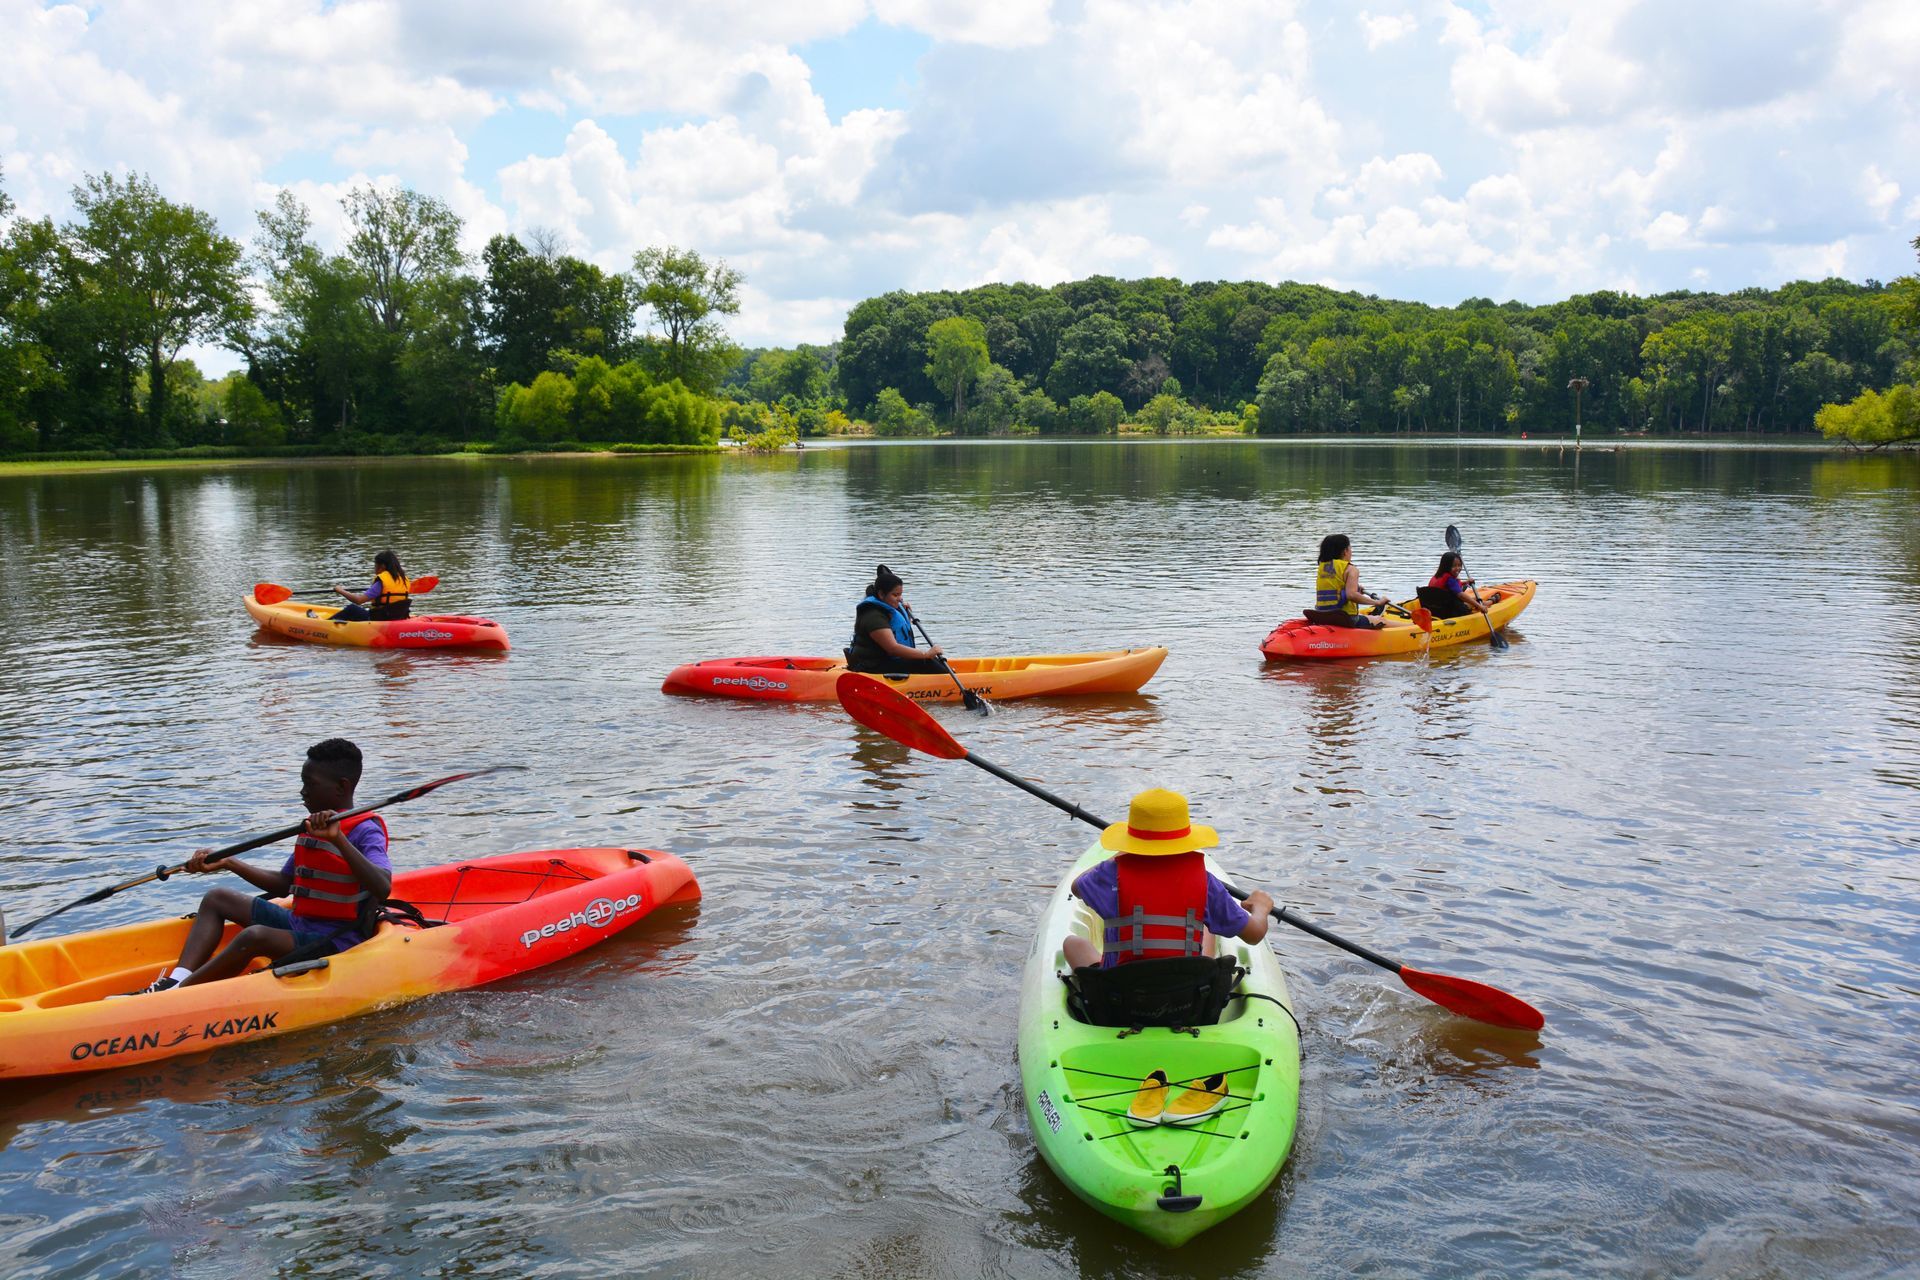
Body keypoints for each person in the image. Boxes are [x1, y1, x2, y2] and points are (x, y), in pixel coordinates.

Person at [1062, 788, 1275, 1125]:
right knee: (1206, 928)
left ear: (1131, 841)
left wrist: (1117, 862)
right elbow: (1254, 933)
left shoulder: (1110, 874)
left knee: (1073, 943)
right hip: (1187, 1002)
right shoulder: (1204, 882)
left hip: (1121, 1000)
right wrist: (1260, 907)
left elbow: (1076, 887)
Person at [128, 739, 393, 994]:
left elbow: (382, 887)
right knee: (217, 897)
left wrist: (339, 839)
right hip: (300, 923)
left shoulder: (365, 830)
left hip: (336, 939)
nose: (302, 791)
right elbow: (282, 884)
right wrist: (229, 863)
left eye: (309, 784)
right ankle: (176, 980)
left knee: (254, 936)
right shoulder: (313, 827)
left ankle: (175, 997)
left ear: (341, 787)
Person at [845, 564, 949, 675]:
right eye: (895, 595)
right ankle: (949, 684)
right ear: (881, 594)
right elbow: (893, 648)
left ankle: (947, 675)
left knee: (929, 660)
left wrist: (905, 616)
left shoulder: (886, 608)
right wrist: (925, 654)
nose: (900, 599)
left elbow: (898, 633)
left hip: (885, 661)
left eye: (900, 594)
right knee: (924, 661)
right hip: (871, 667)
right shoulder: (874, 616)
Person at [1310, 534, 1390, 629]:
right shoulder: (1351, 569)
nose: (1351, 552)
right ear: (1345, 551)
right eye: (1350, 548)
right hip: (1345, 619)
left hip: (1322, 616)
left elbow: (1335, 588)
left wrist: (1354, 589)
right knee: (1381, 620)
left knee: (1370, 617)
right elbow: (1351, 595)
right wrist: (1378, 602)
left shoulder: (1322, 567)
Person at [329, 550, 410, 621]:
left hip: (380, 619)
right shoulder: (404, 579)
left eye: (375, 565)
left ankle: (325, 625)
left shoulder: (381, 582)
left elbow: (359, 600)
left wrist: (340, 590)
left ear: (382, 566)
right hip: (397, 617)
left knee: (351, 608)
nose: (374, 568)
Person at [1424, 551, 1488, 618]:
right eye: (1454, 566)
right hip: (1449, 611)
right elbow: (1461, 595)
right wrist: (1480, 607)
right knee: (1476, 600)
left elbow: (1451, 586)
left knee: (1474, 600)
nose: (1458, 568)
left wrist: (1465, 582)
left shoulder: (1436, 576)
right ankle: (1492, 601)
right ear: (1446, 566)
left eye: (1459, 565)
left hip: (1435, 609)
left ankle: (1487, 602)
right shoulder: (1450, 579)